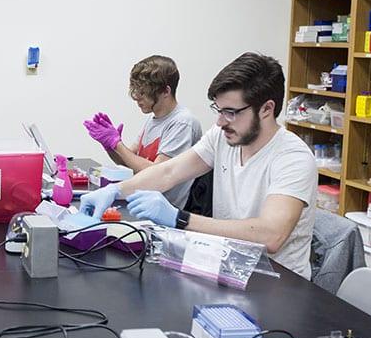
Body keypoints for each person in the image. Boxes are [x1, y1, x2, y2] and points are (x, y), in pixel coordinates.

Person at [80, 53, 317, 279]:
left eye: (231, 112)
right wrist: (115, 191)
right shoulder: (223, 136)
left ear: (267, 109)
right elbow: (168, 171)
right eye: (219, 109)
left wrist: (180, 219)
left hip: (277, 282)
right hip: (230, 266)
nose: (220, 121)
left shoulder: (292, 158)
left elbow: (271, 236)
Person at [83, 55, 202, 208]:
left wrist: (117, 144)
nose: (137, 98)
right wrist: (109, 145)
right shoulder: (154, 119)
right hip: (142, 200)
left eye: (144, 92)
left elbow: (157, 173)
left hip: (164, 211)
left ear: (166, 91)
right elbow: (127, 162)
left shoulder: (182, 122)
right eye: (136, 91)